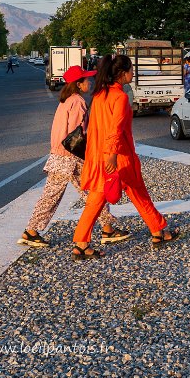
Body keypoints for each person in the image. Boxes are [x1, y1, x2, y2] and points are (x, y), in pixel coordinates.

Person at [74, 54, 179, 260]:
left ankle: (81, 243)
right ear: (122, 74)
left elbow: (95, 128)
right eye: (131, 70)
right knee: (137, 193)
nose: (133, 73)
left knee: (102, 199)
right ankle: (158, 231)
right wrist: (112, 155)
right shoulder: (120, 97)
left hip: (99, 155)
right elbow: (116, 129)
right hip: (118, 158)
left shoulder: (99, 95)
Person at [18, 66, 130, 248]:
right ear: (79, 84)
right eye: (87, 80)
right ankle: (31, 232)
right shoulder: (78, 102)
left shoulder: (66, 100)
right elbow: (77, 133)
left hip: (59, 156)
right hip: (70, 158)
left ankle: (107, 228)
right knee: (92, 191)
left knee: (72, 194)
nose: (90, 82)